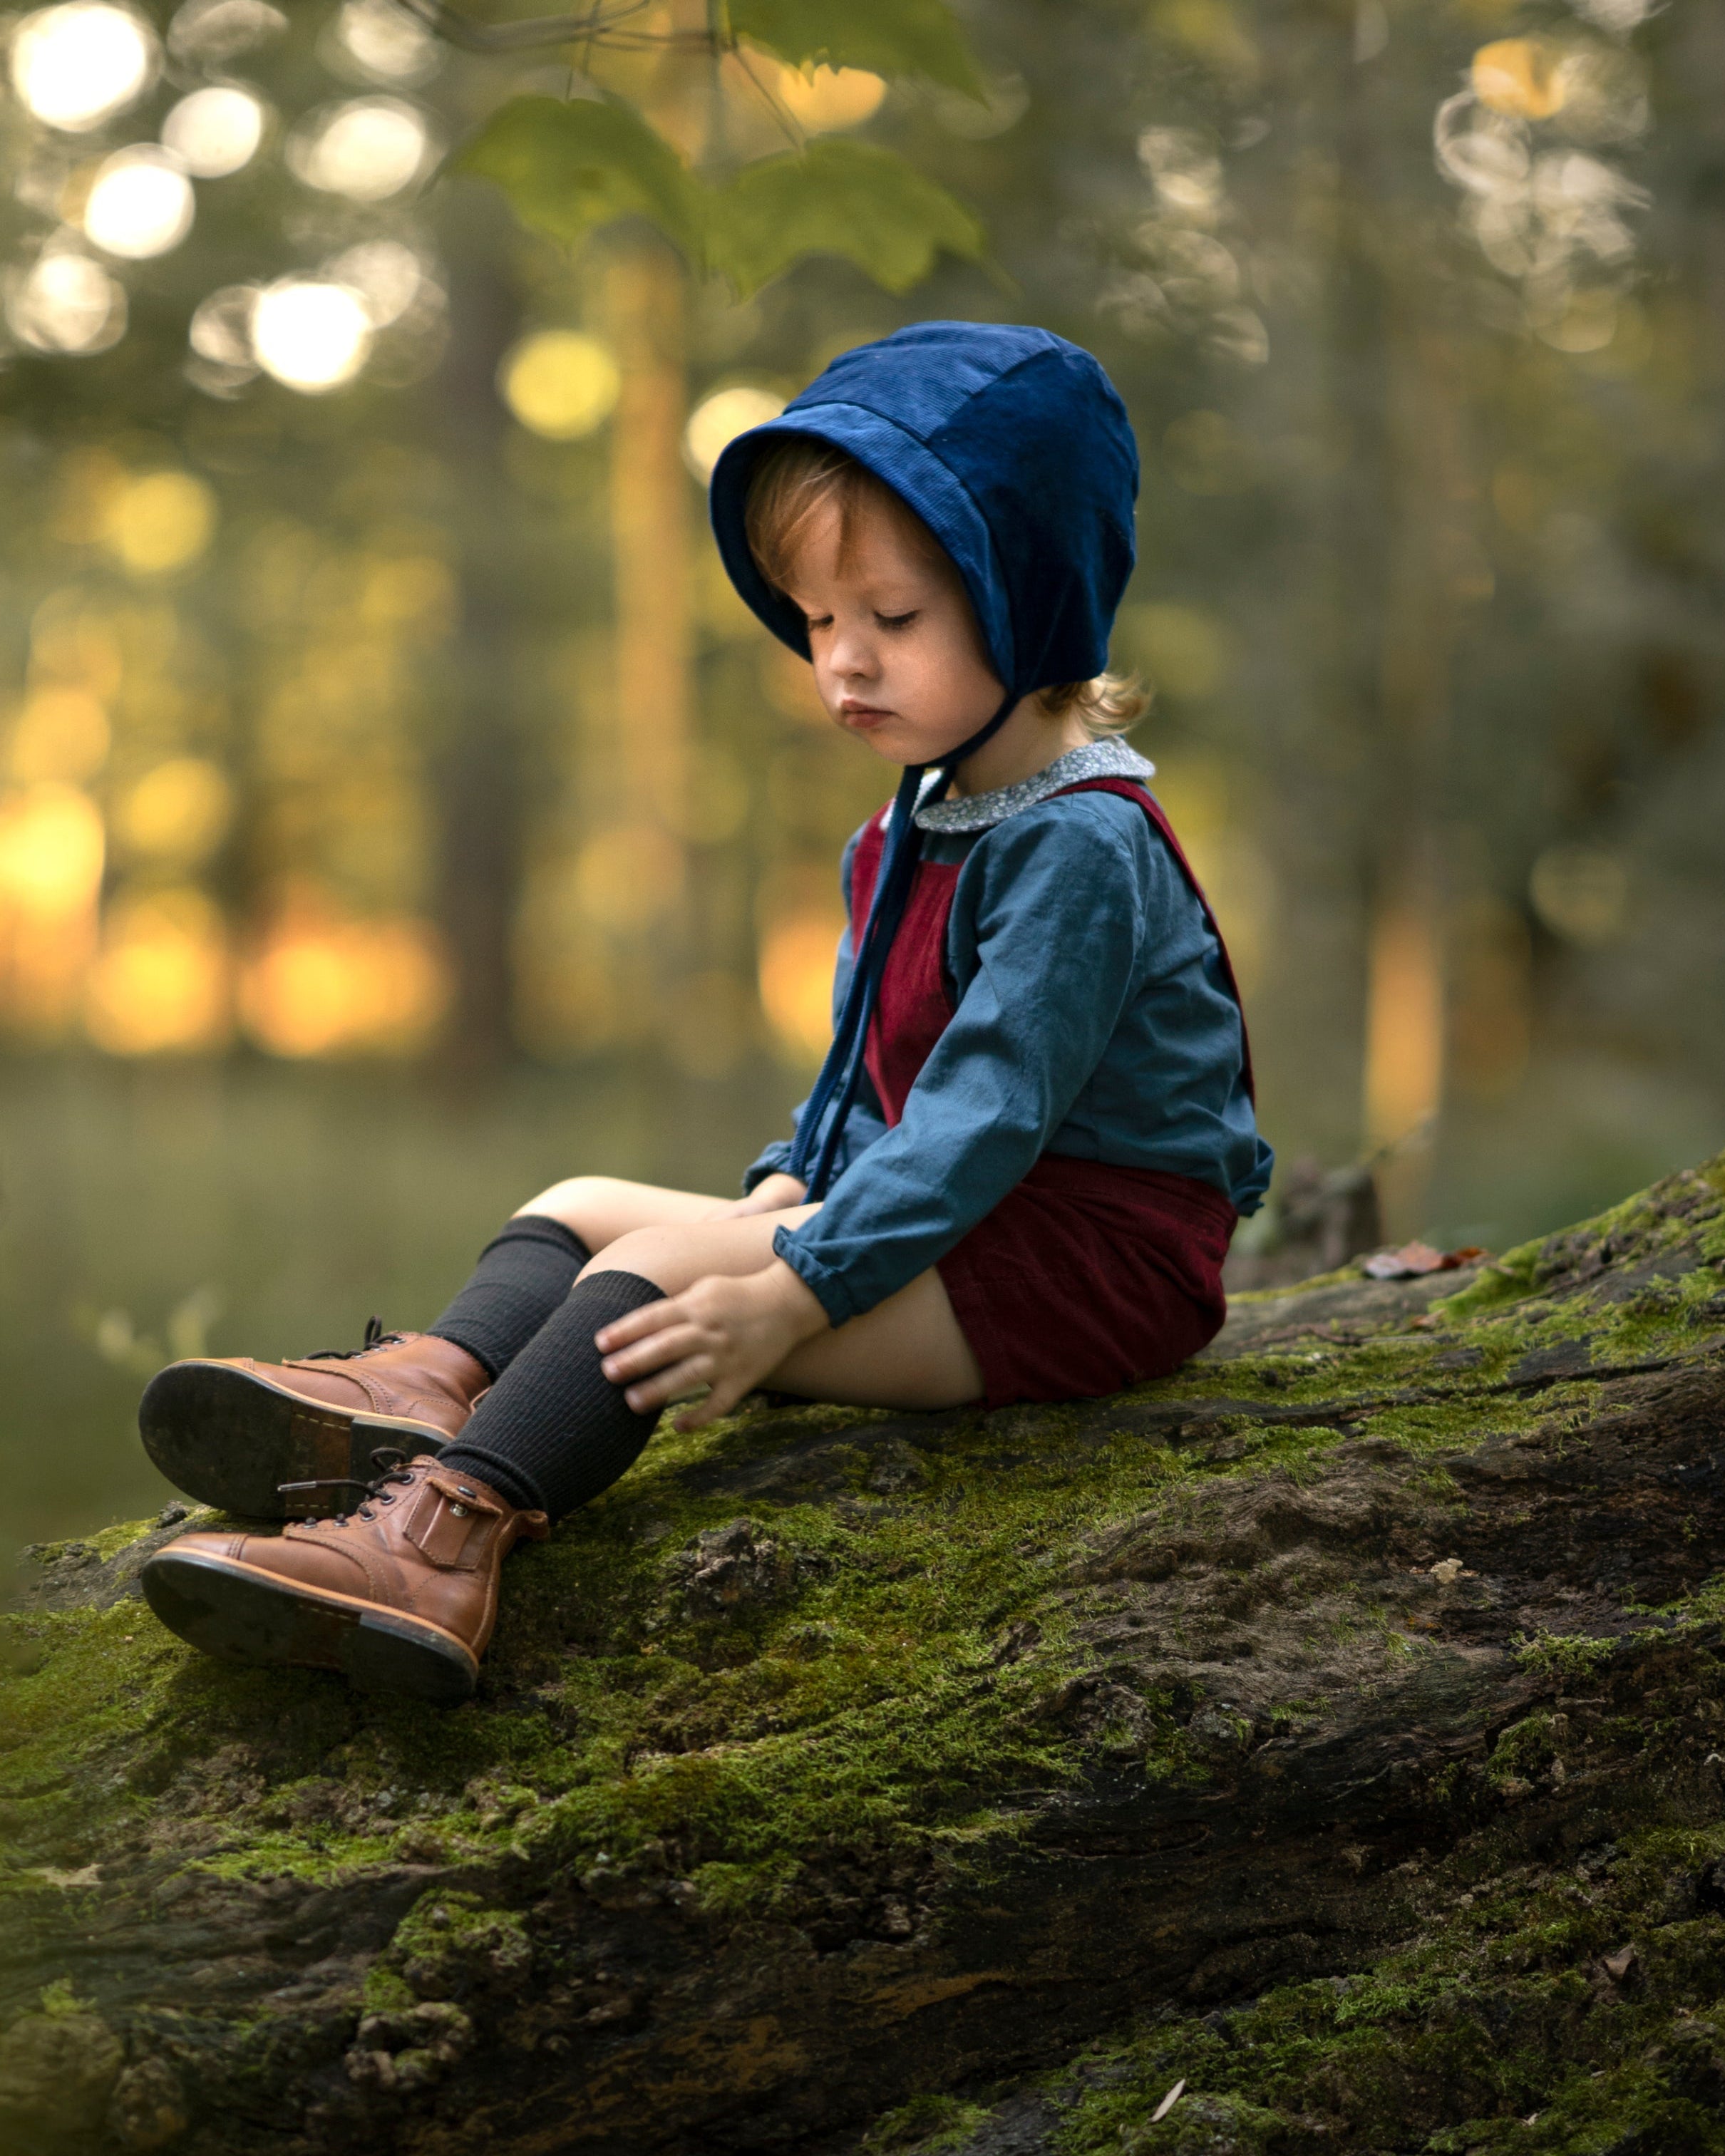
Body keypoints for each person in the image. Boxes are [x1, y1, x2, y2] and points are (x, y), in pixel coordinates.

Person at [137, 321, 1272, 1706]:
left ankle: (444, 1537)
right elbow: (860, 1070)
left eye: (893, 619)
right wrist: (788, 1186)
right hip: (971, 1215)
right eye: (816, 622)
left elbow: (985, 1104)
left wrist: (784, 1287)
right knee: (581, 1200)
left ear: (1026, 598)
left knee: (667, 1269)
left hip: (1087, 1262)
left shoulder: (1077, 845)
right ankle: (429, 1388)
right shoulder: (917, 818)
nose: (841, 663)